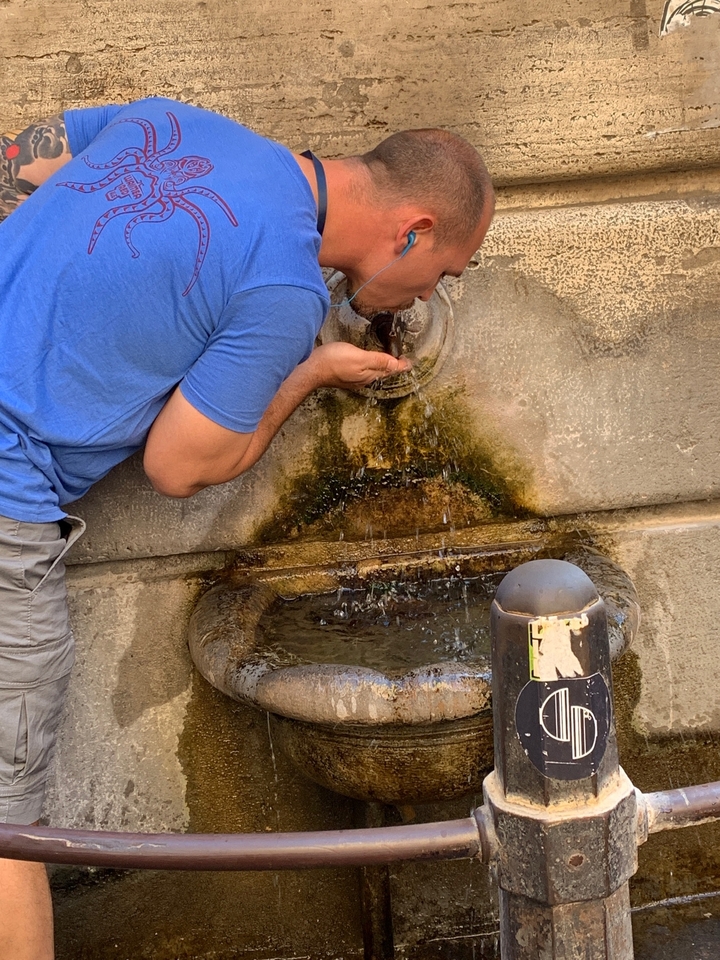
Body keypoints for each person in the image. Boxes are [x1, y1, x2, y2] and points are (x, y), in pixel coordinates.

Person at [0, 96, 494, 958]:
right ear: (413, 231)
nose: (433, 292)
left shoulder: (183, 124)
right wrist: (308, 373)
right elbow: (178, 466)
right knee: (9, 833)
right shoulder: (283, 290)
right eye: (448, 272)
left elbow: (21, 157)